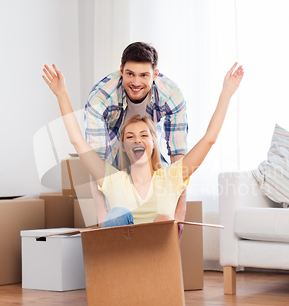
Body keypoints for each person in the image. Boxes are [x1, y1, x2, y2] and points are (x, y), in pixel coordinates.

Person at [42, 62, 244, 239]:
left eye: (144, 135)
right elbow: (78, 142)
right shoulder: (113, 180)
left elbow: (209, 139)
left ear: (154, 143)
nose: (137, 140)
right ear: (123, 146)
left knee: (164, 219)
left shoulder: (172, 177)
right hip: (121, 255)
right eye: (130, 136)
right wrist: (61, 95)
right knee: (118, 214)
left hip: (156, 260)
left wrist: (226, 94)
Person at [84, 42, 189, 231]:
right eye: (130, 74)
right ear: (121, 70)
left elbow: (179, 159)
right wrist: (102, 218)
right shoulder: (100, 98)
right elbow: (96, 158)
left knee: (163, 181)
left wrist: (178, 219)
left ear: (155, 75)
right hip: (115, 145)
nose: (136, 82)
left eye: (144, 75)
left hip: (148, 143)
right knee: (116, 206)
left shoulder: (172, 95)